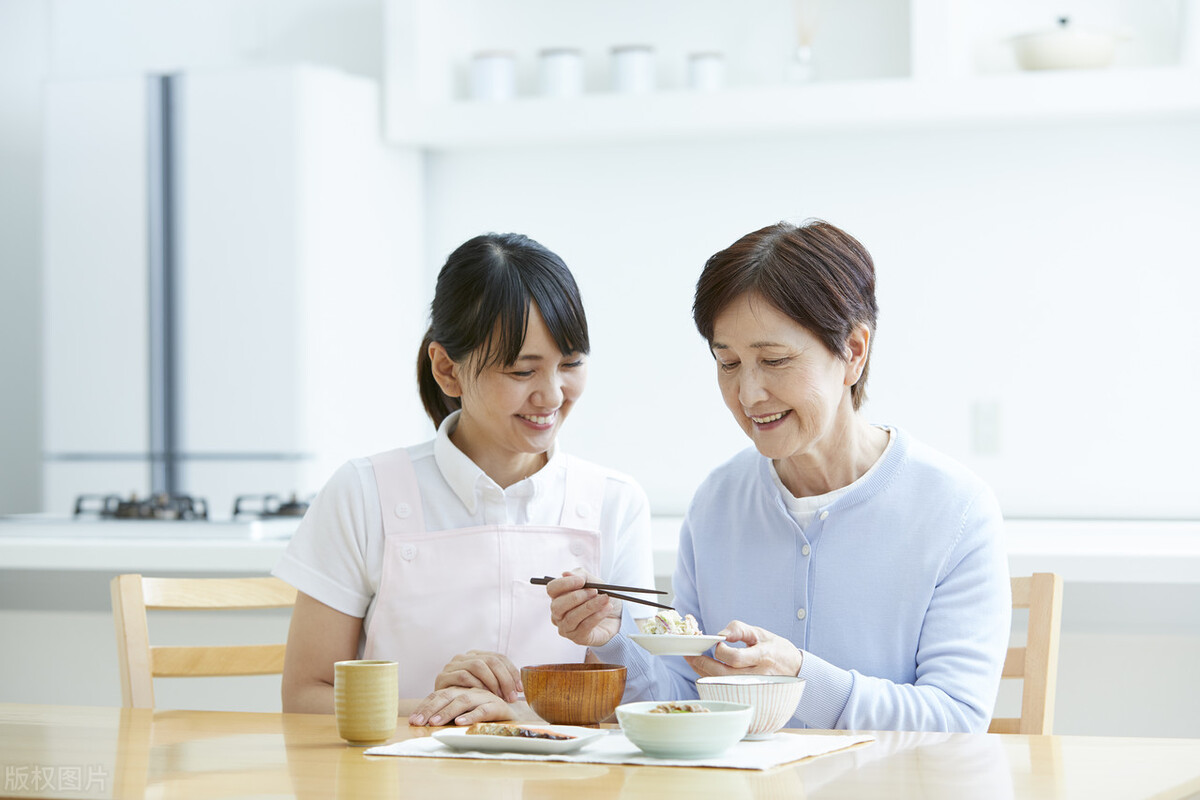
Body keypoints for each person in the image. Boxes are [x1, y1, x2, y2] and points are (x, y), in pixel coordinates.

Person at [547, 219, 1011, 733]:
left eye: (774, 360)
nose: (748, 394)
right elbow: (685, 697)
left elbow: (956, 722)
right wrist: (614, 638)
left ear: (853, 351)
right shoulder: (717, 503)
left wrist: (797, 676)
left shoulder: (954, 509)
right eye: (728, 364)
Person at [274, 232, 654, 727]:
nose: (553, 394)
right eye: (523, 371)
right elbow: (306, 693)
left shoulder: (615, 502)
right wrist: (446, 709)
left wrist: (515, 713)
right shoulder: (364, 492)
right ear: (447, 370)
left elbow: (639, 704)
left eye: (571, 364)